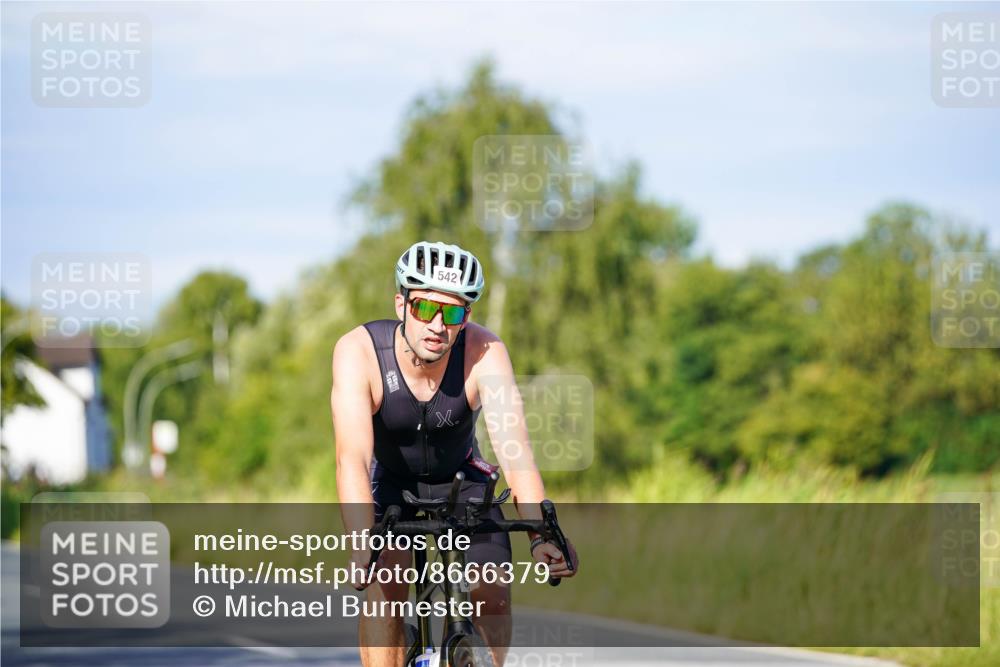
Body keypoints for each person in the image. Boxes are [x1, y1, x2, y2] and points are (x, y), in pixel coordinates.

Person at [331, 240, 578, 667]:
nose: (437, 325)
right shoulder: (359, 352)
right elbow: (351, 457)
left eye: (453, 313)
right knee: (384, 588)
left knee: (492, 589)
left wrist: (541, 533)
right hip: (391, 482)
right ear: (401, 304)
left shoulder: (486, 352)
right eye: (425, 308)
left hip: (463, 480)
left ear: (467, 318)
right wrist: (360, 540)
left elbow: (515, 451)